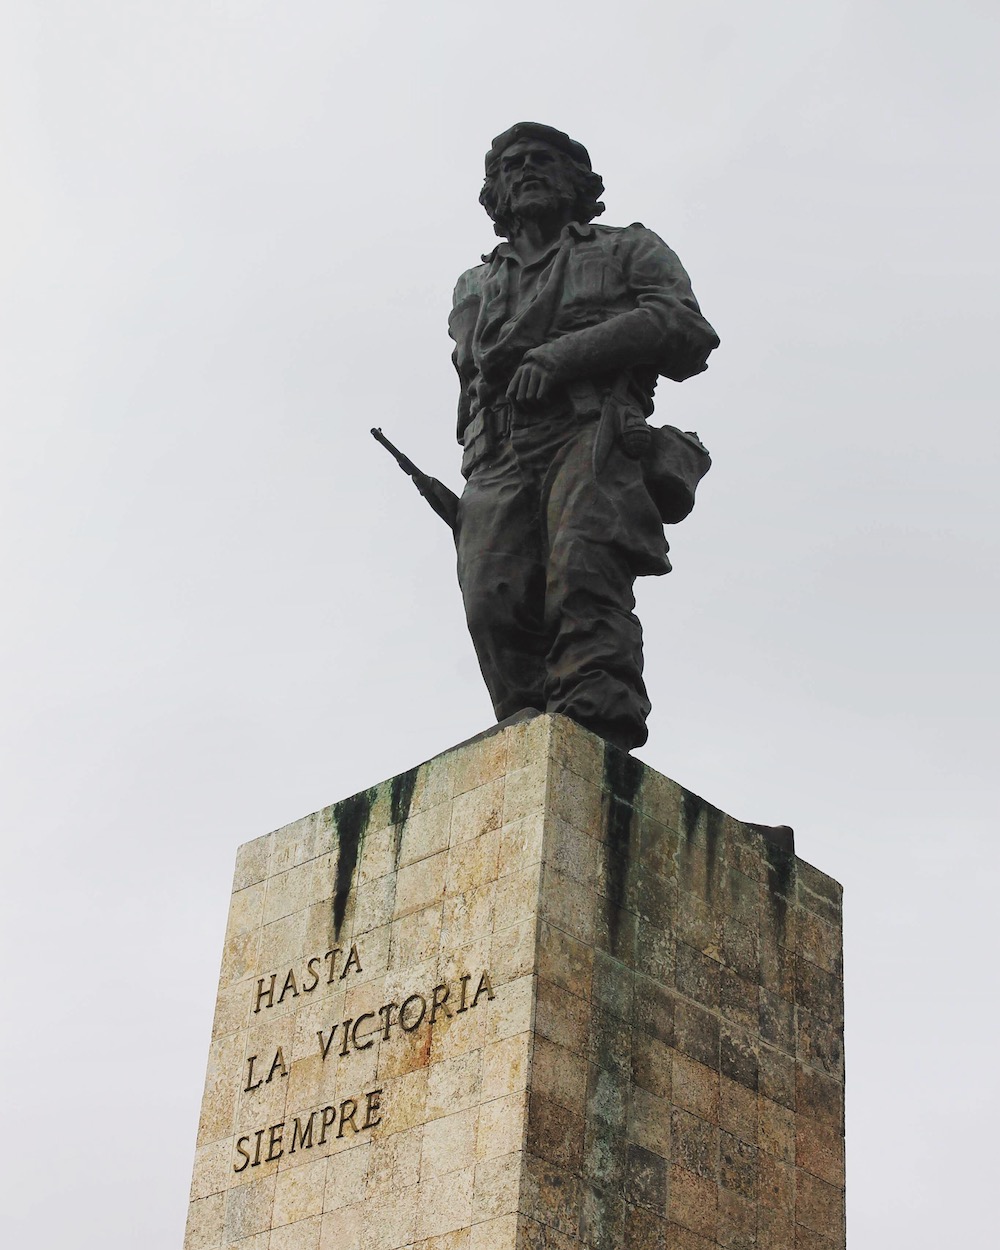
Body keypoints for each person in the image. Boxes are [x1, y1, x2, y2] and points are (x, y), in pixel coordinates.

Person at [449, 122, 719, 750]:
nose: (526, 171)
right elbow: (475, 377)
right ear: (494, 193)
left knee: (582, 572)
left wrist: (564, 357)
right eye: (511, 166)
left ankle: (594, 732)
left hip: (590, 429)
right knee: (491, 599)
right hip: (499, 453)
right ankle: (528, 736)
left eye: (544, 160)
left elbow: (684, 330)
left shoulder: (627, 249)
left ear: (579, 183)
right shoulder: (473, 288)